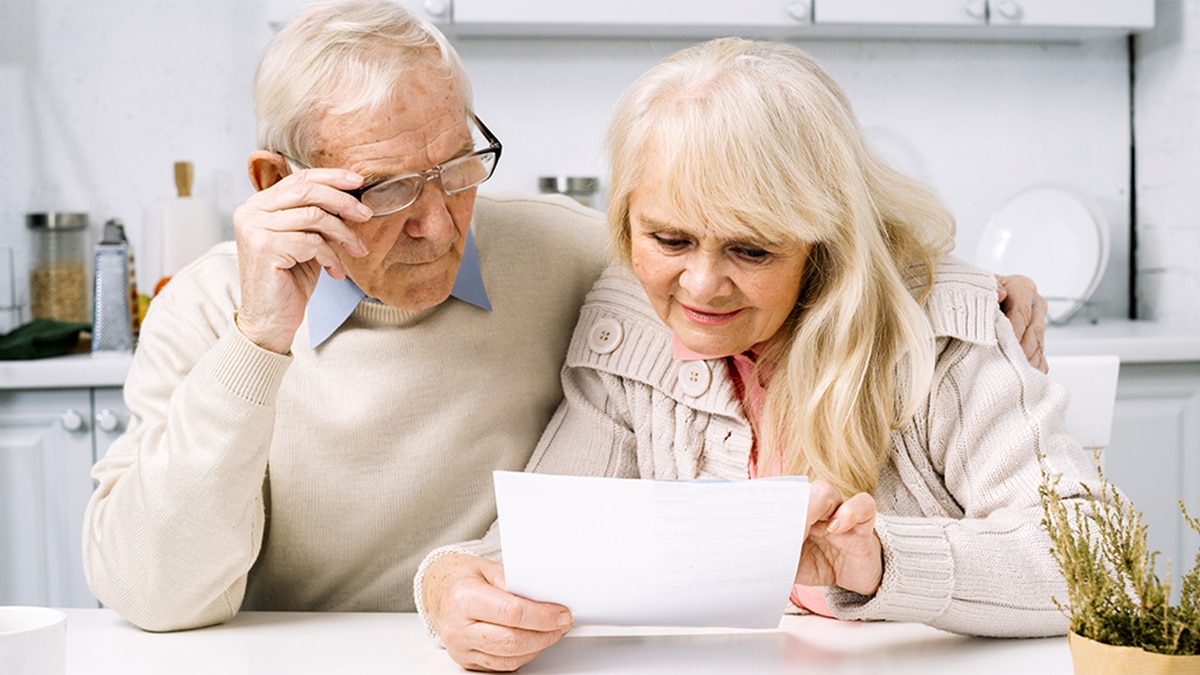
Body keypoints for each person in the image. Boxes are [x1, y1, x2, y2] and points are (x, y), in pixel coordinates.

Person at [82, 2, 1046, 633]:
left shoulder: (582, 259)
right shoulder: (209, 311)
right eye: (383, 191)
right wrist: (257, 344)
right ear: (277, 184)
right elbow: (154, 594)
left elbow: (762, 219)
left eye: (457, 169)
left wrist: (948, 290)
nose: (437, 222)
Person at [417, 38, 1095, 672]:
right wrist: (445, 582)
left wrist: (883, 562)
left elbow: (1092, 563)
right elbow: (534, 552)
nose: (702, 286)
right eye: (670, 240)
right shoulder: (625, 318)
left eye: (752, 249)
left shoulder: (943, 330)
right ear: (626, 222)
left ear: (824, 243)